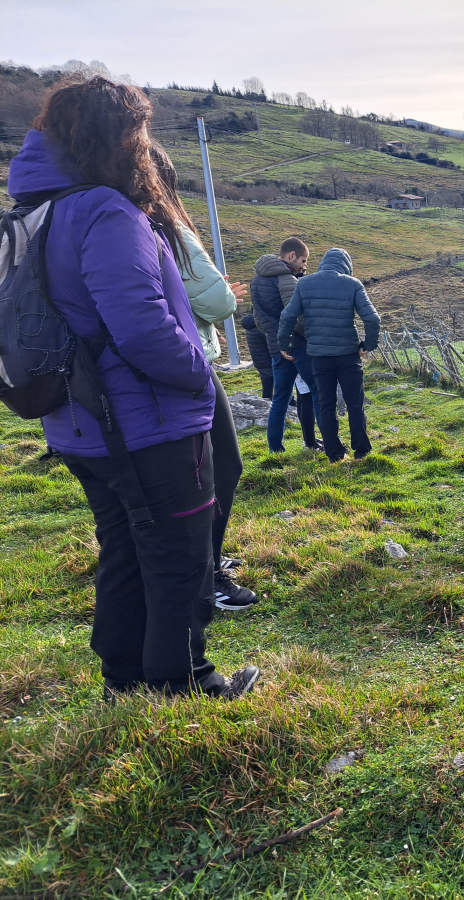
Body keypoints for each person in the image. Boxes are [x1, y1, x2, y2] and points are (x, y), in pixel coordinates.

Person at [7, 75, 259, 699]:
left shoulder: (36, 213)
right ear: (116, 136)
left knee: (122, 547)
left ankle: (125, 677)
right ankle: (184, 681)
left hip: (78, 422)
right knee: (179, 554)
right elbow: (143, 330)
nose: (144, 143)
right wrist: (200, 373)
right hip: (147, 422)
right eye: (138, 130)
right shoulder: (105, 212)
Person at [148, 142, 257, 612]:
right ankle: (206, 574)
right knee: (220, 468)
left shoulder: (96, 222)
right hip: (187, 361)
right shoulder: (167, 227)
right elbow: (216, 302)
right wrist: (223, 294)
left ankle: (200, 563)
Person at [278, 248, 380, 462]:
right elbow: (372, 319)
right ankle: (361, 450)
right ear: (346, 266)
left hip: (318, 355)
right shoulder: (352, 284)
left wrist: (284, 344)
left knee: (325, 404)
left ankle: (335, 453)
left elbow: (287, 316)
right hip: (348, 354)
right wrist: (367, 345)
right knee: (354, 403)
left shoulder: (305, 284)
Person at [251, 237, 320, 453]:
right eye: (303, 260)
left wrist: (275, 339)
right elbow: (297, 317)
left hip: (275, 349)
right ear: (291, 256)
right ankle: (319, 442)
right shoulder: (285, 278)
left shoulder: (257, 280)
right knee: (313, 392)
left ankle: (275, 449)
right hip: (297, 348)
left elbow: (259, 320)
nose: (304, 265)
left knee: (280, 398)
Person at [240, 313, 274, 399]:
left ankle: (266, 399)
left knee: (267, 384)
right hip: (267, 361)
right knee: (280, 383)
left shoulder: (251, 327)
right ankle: (290, 402)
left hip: (260, 361)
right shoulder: (261, 328)